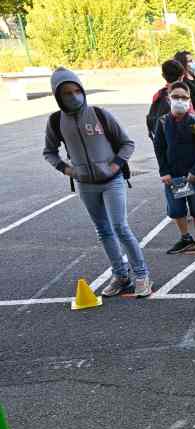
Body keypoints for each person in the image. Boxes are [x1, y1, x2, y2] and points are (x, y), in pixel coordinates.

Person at [43, 67, 152, 297]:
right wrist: (66, 169)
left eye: (76, 90)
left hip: (112, 181)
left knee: (120, 227)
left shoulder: (99, 114)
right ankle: (121, 275)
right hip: (85, 184)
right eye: (66, 93)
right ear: (57, 97)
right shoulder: (56, 121)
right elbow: (49, 151)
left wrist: (115, 165)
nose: (73, 96)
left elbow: (126, 143)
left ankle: (141, 275)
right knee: (103, 230)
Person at [149, 59, 195, 224]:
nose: (180, 100)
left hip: (180, 156)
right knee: (184, 199)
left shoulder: (161, 95)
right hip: (182, 156)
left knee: (191, 192)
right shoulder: (174, 99)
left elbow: (151, 124)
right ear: (183, 74)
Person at [153, 82, 195, 255]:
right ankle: (185, 237)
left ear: (189, 100)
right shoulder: (163, 122)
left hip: (192, 176)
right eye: (176, 97)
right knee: (176, 209)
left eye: (184, 98)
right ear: (168, 98)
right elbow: (159, 148)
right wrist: (164, 172)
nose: (180, 100)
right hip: (173, 177)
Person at [173, 50, 195, 124]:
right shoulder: (182, 81)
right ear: (182, 64)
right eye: (190, 61)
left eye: (193, 60)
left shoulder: (194, 77)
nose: (193, 63)